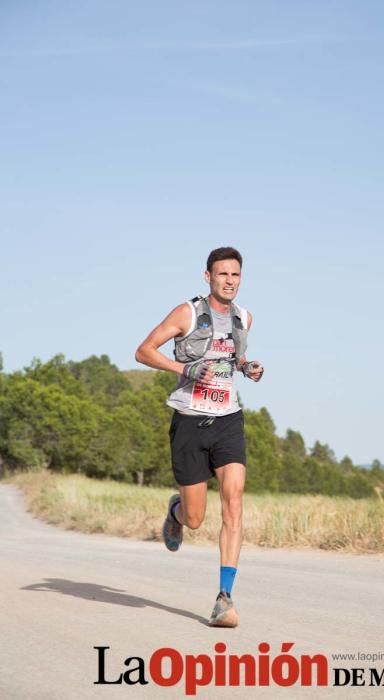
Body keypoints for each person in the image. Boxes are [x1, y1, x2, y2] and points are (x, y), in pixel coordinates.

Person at [135, 246, 263, 627]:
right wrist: (184, 369)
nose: (229, 281)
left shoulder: (244, 317)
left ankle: (224, 599)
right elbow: (143, 351)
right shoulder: (186, 313)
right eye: (222, 274)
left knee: (234, 501)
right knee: (195, 518)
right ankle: (176, 511)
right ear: (207, 277)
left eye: (235, 275)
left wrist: (247, 367)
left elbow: (232, 358)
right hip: (190, 420)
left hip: (228, 418)